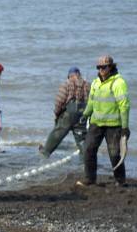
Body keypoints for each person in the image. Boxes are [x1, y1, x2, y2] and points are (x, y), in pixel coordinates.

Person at [79, 54, 130, 187]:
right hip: (96, 123)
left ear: (111, 67)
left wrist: (125, 128)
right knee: (88, 149)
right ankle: (90, 179)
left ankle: (120, 180)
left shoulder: (118, 83)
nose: (101, 69)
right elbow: (91, 102)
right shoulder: (95, 83)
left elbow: (124, 106)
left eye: (104, 67)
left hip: (114, 126)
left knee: (114, 154)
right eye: (99, 67)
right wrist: (85, 115)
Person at [39, 67, 89, 158]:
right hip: (82, 115)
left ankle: (45, 152)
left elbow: (59, 101)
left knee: (57, 133)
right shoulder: (87, 85)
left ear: (69, 75)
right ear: (79, 74)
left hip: (68, 114)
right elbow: (90, 101)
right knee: (81, 138)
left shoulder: (66, 84)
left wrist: (57, 113)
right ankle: (85, 161)